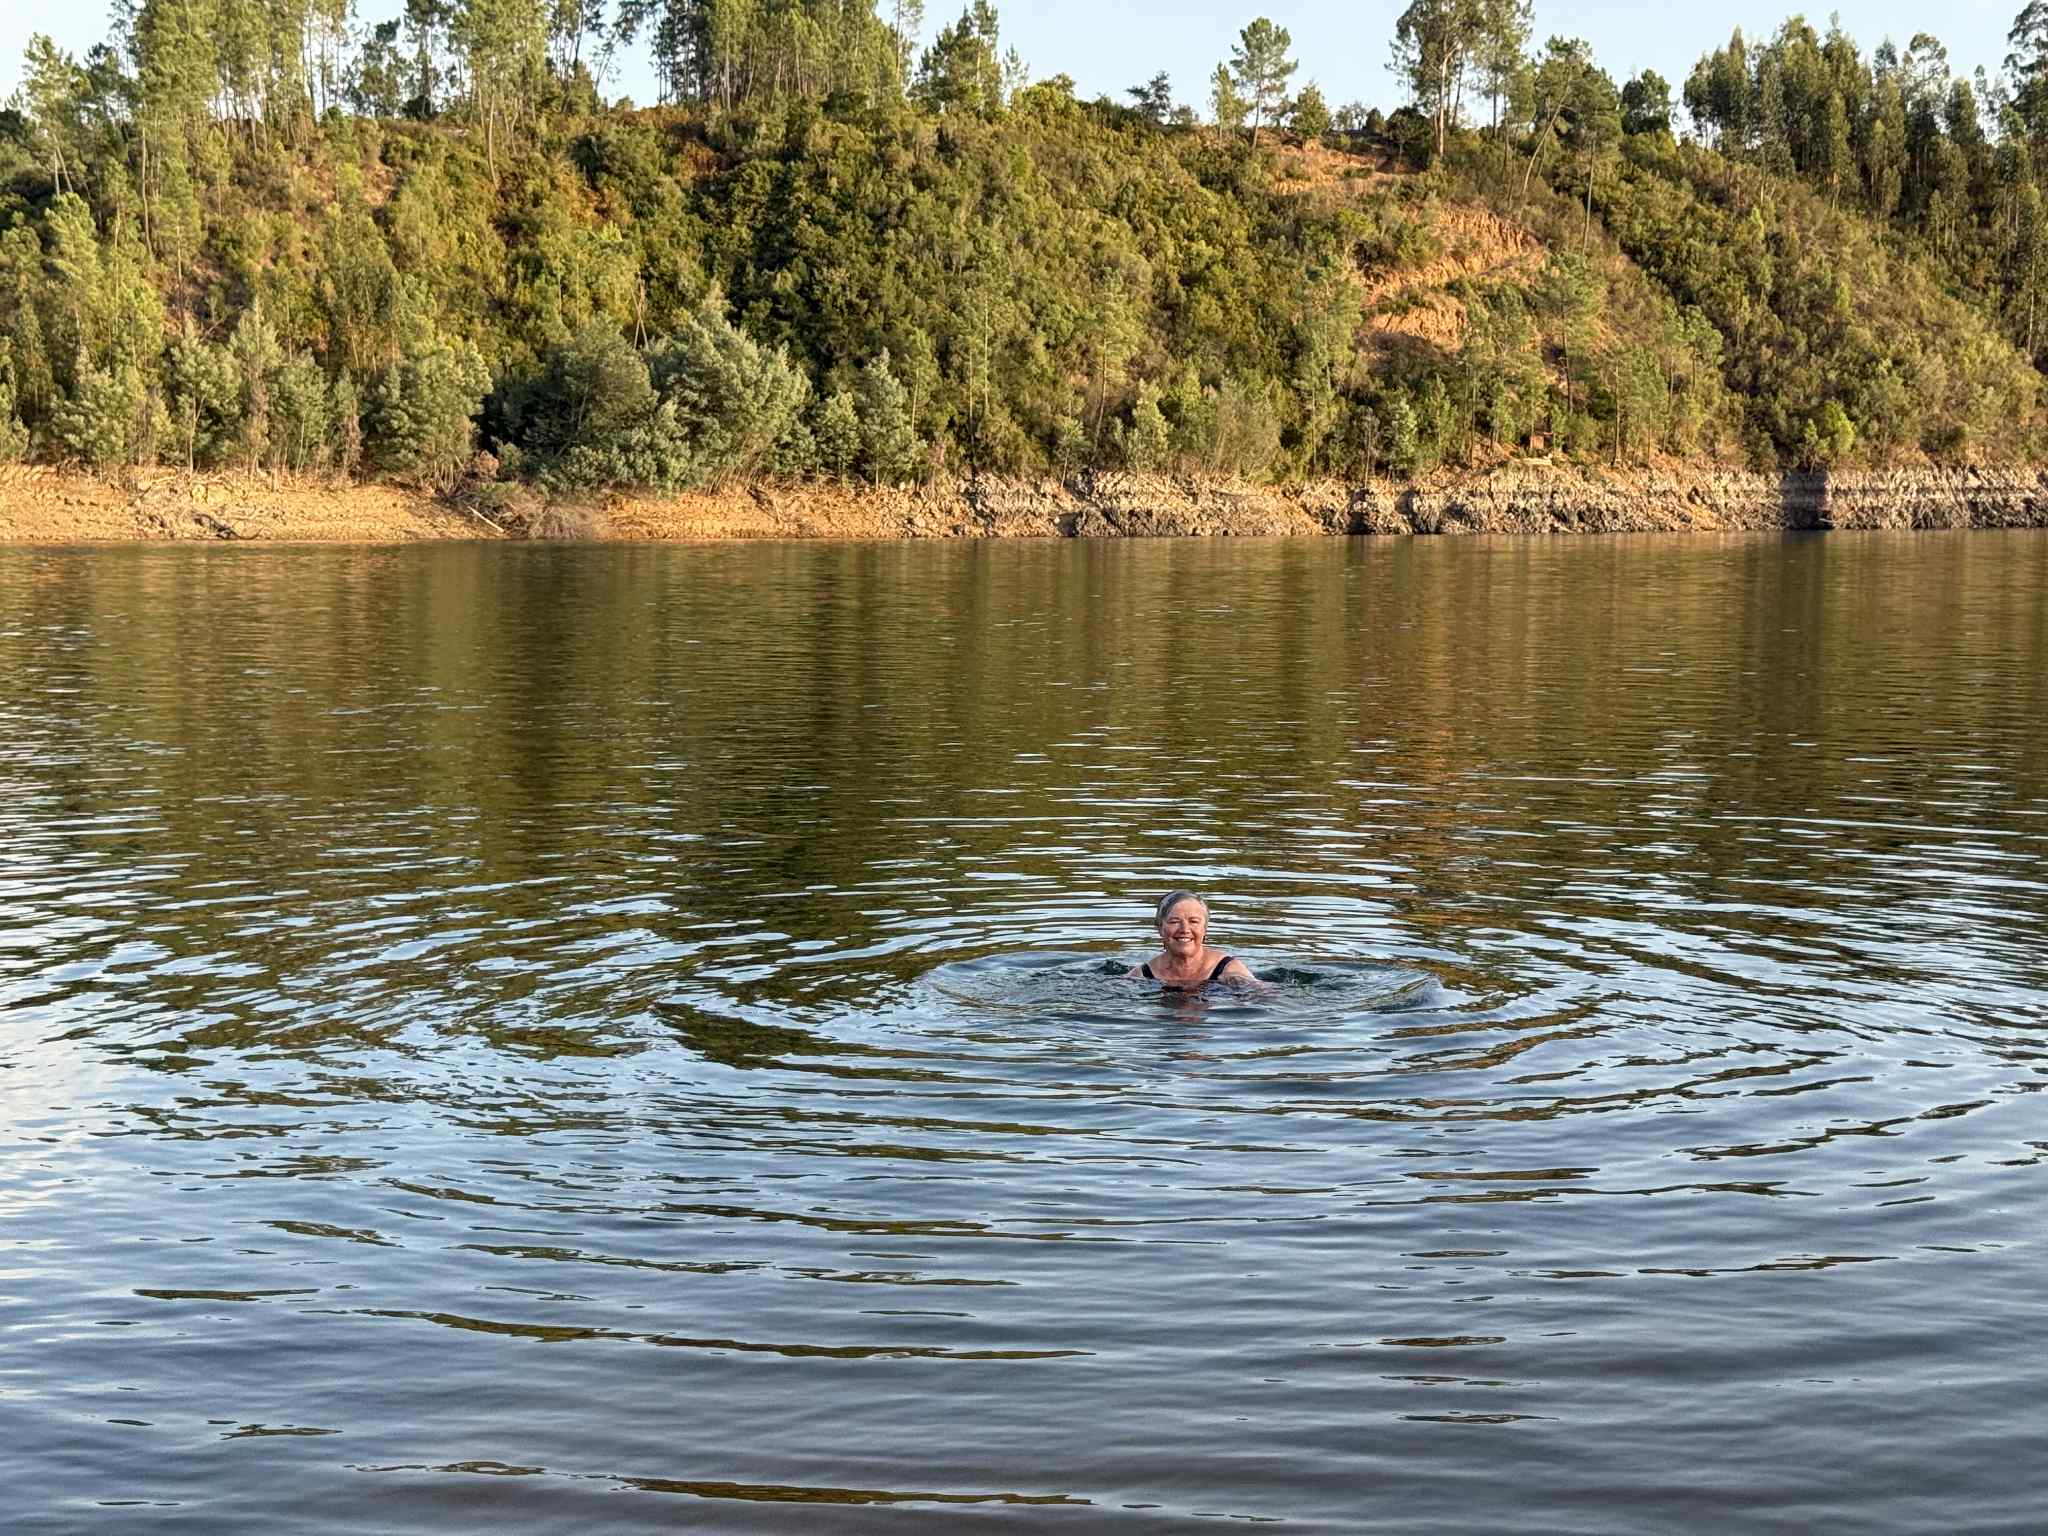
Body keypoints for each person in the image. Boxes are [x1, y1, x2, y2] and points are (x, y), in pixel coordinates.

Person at [1132, 890, 1257, 988]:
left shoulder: (1228, 970)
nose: (1185, 929)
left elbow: (1263, 996)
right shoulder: (1142, 975)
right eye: (1174, 921)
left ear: (1205, 928)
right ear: (1160, 928)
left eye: (1193, 921)